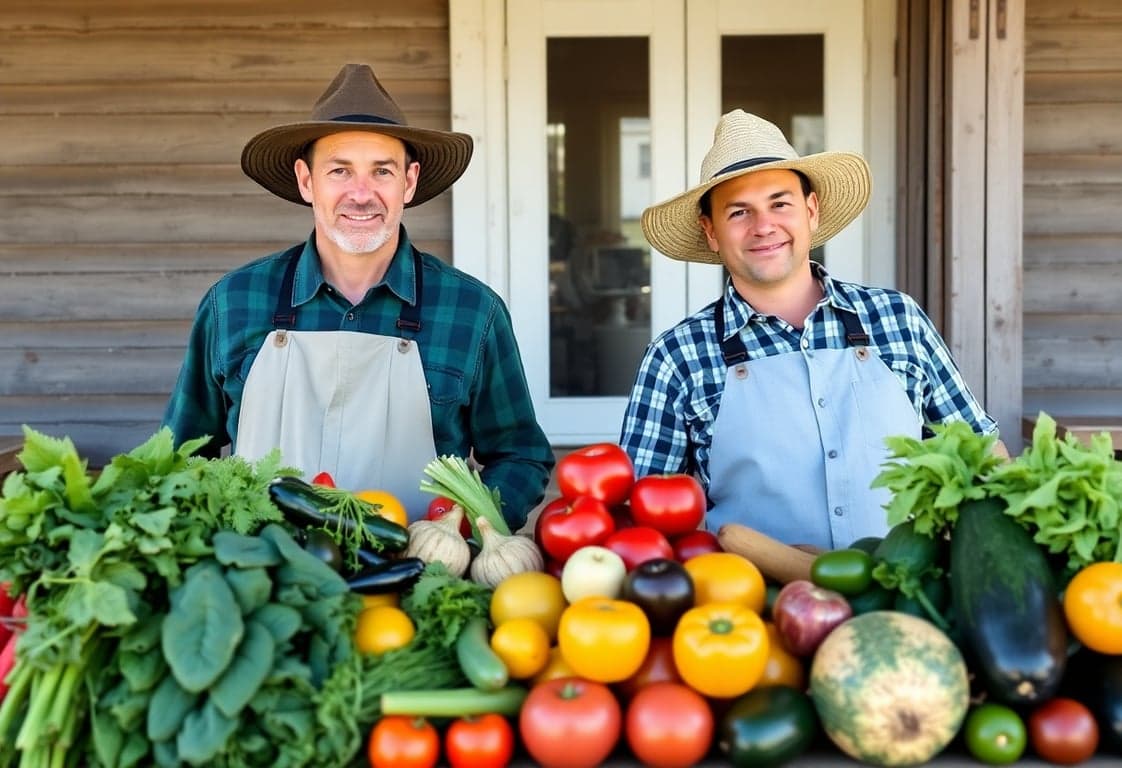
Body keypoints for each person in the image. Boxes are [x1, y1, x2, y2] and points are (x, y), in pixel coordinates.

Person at [163, 63, 553, 529]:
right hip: (265, 584)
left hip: (418, 582)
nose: (361, 194)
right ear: (307, 181)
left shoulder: (472, 311)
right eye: (340, 171)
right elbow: (181, 457)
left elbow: (520, 455)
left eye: (381, 171)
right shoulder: (233, 302)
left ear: (408, 182)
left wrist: (463, 532)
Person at [619, 110, 1006, 550]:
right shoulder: (677, 356)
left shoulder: (897, 318)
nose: (764, 226)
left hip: (906, 597)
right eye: (739, 212)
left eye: (779, 204)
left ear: (811, 210)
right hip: (752, 606)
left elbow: (978, 453)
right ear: (711, 231)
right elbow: (639, 516)